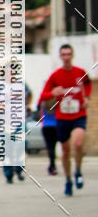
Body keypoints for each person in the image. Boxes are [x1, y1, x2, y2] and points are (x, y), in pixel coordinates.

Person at [39, 44, 91, 196]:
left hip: (79, 115)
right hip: (62, 118)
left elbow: (87, 85)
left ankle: (78, 171)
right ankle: (68, 180)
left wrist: (86, 98)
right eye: (64, 55)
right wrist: (52, 93)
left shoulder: (80, 72)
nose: (67, 57)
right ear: (60, 57)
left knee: (78, 143)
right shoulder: (55, 75)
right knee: (66, 151)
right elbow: (43, 96)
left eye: (69, 54)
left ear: (72, 55)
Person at [38, 98, 58, 175]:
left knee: (50, 147)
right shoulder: (57, 102)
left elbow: (40, 113)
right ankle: (52, 165)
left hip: (46, 126)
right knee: (54, 146)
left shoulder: (43, 102)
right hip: (56, 125)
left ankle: (52, 165)